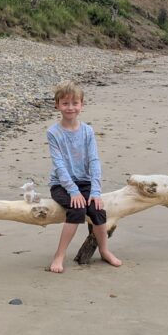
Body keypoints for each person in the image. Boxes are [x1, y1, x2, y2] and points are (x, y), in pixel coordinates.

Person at [47, 81, 122, 273]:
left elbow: (94, 161)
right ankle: (59, 255)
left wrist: (95, 191)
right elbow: (59, 165)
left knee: (97, 210)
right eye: (65, 103)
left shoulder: (87, 131)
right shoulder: (53, 133)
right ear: (57, 105)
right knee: (77, 209)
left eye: (74, 103)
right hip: (61, 184)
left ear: (82, 105)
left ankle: (104, 250)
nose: (70, 107)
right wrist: (73, 191)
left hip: (86, 182)